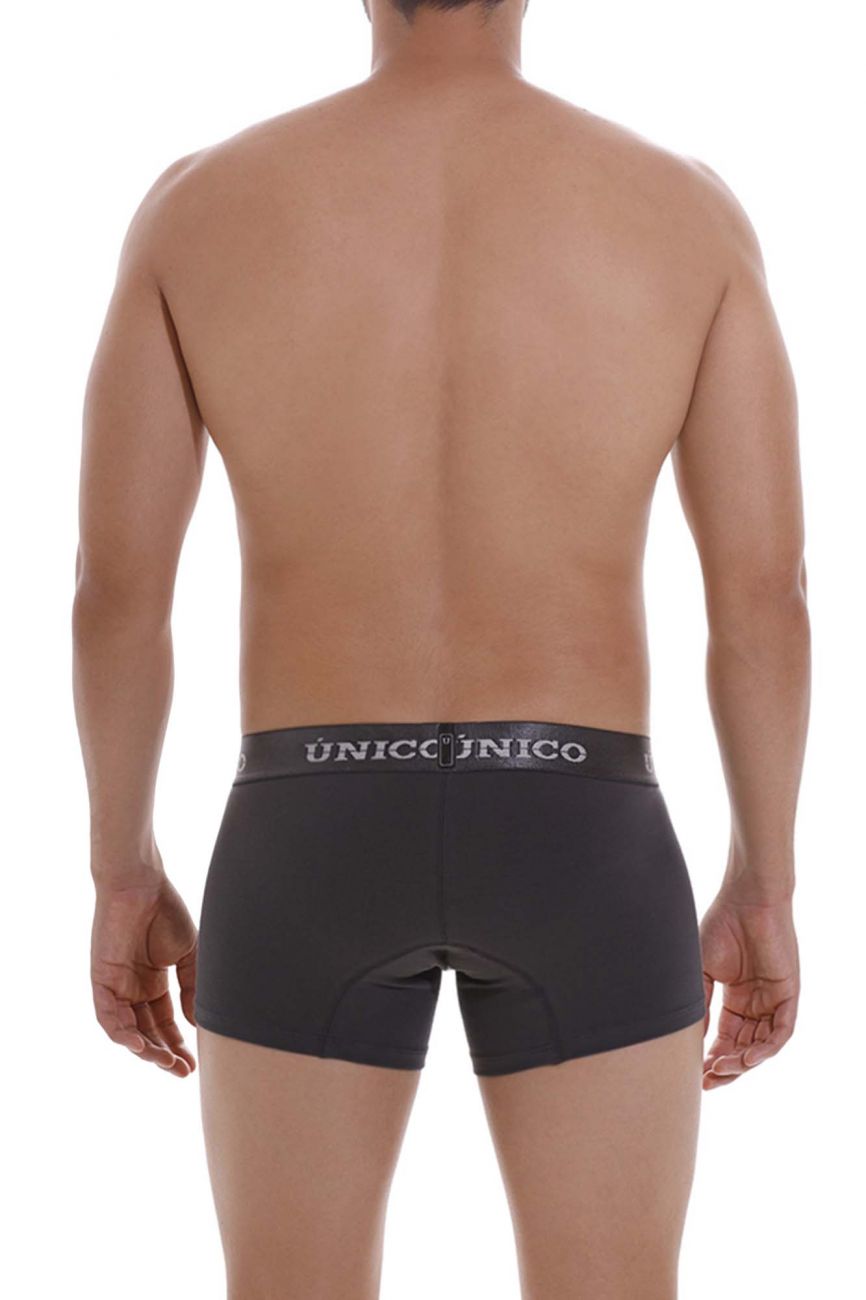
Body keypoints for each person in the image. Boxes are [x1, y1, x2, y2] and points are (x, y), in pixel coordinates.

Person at [72, 0, 810, 1295]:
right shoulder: (681, 212)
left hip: (308, 829)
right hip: (581, 827)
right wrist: (764, 884)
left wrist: (122, 870)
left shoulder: (200, 207)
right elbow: (762, 596)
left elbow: (117, 593)